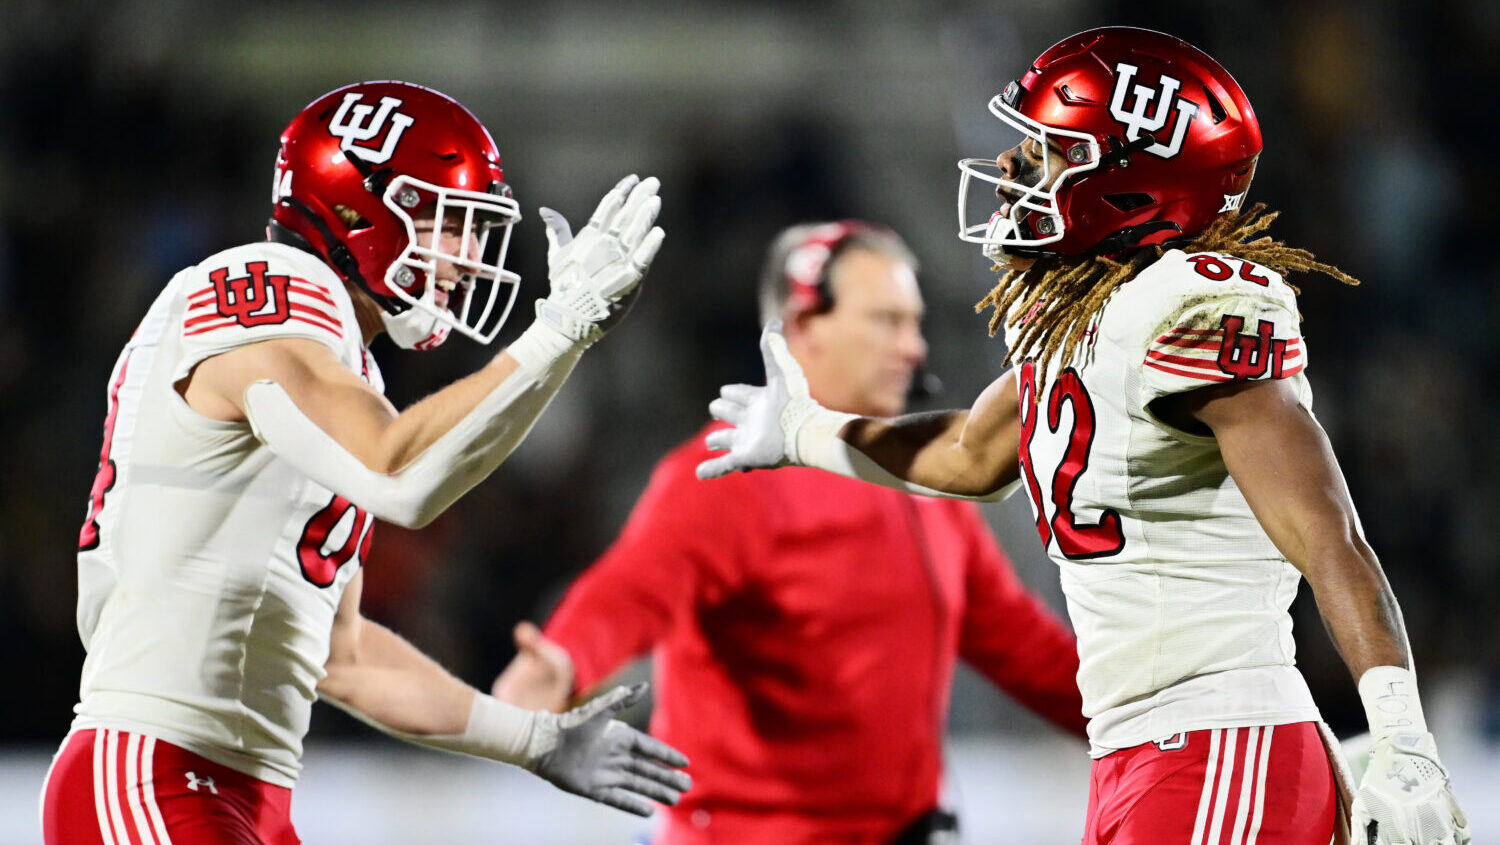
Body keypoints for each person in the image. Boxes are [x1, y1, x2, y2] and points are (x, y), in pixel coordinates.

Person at [698, 28, 1470, 845]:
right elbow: (971, 452)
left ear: (1132, 179)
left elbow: (1328, 534)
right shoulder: (1091, 318)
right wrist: (808, 430)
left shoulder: (1191, 305)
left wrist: (1402, 736)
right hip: (1140, 752)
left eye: (1050, 148)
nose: (1012, 165)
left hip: (1221, 738)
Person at [41, 80, 690, 845]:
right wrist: (562, 328)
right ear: (356, 208)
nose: (468, 256)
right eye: (449, 222)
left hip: (238, 791)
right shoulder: (268, 287)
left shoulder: (343, 370)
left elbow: (342, 654)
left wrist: (536, 740)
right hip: (152, 768)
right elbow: (399, 476)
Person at [493, 220, 1087, 845]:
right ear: (803, 326)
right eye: (886, 321)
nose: (914, 347)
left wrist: (1143, 709)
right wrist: (564, 661)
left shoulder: (923, 476)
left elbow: (1017, 642)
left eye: (915, 322)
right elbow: (630, 591)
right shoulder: (731, 473)